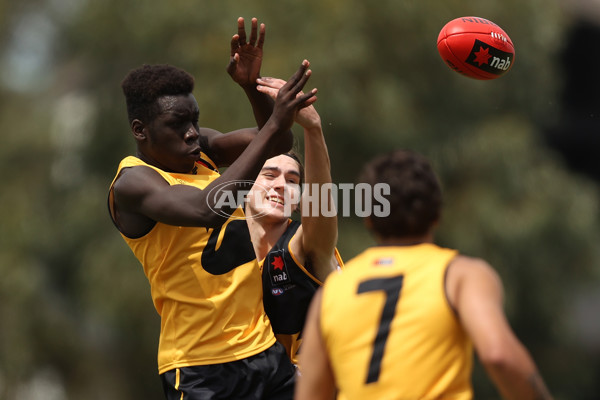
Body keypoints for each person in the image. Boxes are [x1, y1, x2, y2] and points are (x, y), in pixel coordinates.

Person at [107, 17, 317, 400]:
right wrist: (274, 121)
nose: (191, 132)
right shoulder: (133, 183)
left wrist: (250, 87)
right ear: (140, 130)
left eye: (195, 121)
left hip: (264, 353)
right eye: (177, 124)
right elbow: (209, 209)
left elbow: (278, 143)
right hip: (200, 368)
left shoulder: (201, 150)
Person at [295, 149, 553, 400]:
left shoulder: (333, 291)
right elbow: (499, 356)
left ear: (368, 219)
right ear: (437, 215)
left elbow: (312, 392)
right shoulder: (460, 275)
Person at [244, 77, 343, 365]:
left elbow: (321, 209)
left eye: (292, 180)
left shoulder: (303, 245)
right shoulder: (225, 247)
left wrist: (313, 130)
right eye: (270, 175)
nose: (280, 186)